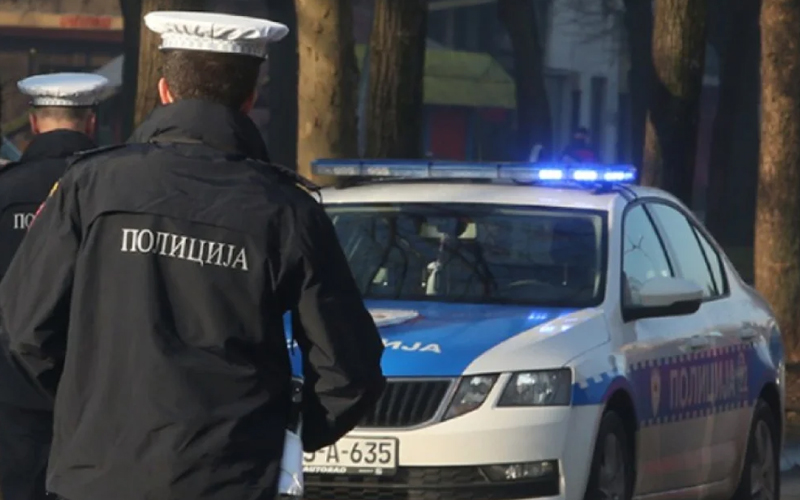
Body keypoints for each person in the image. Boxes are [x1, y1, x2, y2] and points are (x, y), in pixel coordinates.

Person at [0, 11, 385, 500]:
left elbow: (24, 330)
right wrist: (277, 434)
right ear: (250, 99)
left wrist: (91, 413)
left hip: (97, 473)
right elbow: (349, 368)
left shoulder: (91, 185)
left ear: (164, 91)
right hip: (231, 474)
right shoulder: (285, 209)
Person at [0, 72, 108, 500]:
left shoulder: (5, 190)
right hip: (96, 385)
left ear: (33, 122)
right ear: (91, 123)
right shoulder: (117, 191)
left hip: (10, 384)